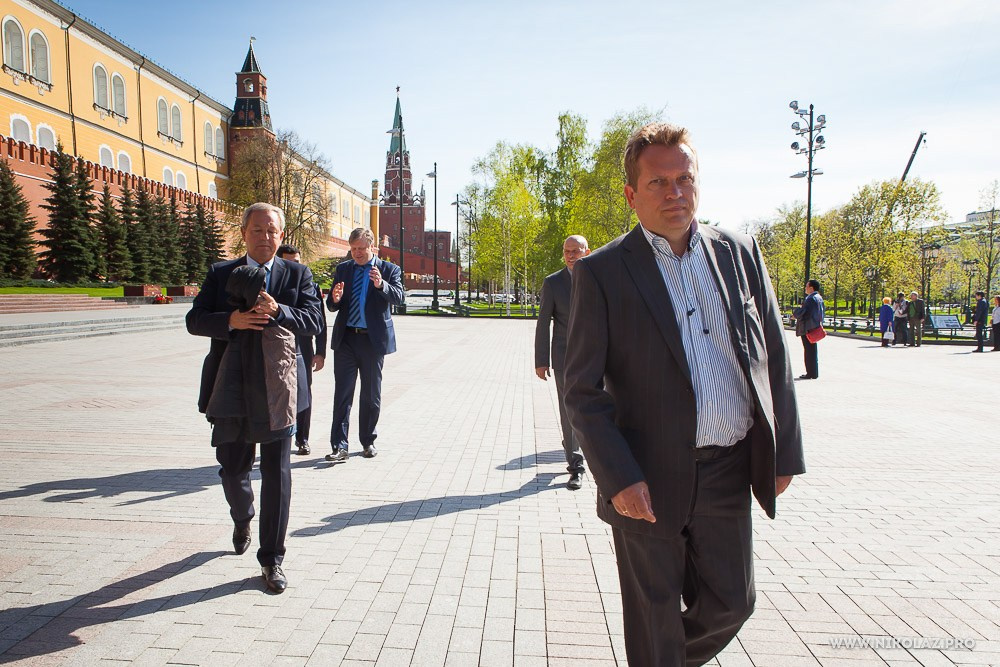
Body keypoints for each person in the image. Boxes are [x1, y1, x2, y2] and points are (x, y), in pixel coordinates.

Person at [563, 122, 804, 666]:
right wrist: (618, 476)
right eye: (658, 183)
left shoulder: (739, 252)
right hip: (645, 476)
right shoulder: (602, 272)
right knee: (652, 615)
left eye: (685, 180)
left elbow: (774, 356)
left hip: (728, 467)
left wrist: (784, 451)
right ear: (632, 194)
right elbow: (581, 390)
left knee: (731, 604)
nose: (675, 193)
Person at [186, 203, 324, 594]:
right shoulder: (221, 273)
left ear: (282, 236)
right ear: (244, 232)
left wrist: (280, 311)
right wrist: (231, 321)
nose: (265, 237)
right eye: (258, 230)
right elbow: (194, 320)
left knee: (278, 474)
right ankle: (243, 516)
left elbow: (314, 320)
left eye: (272, 231)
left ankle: (272, 559)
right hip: (230, 385)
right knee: (232, 468)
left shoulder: (298, 274)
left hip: (278, 388)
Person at [326, 228, 404, 462]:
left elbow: (399, 297)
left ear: (372, 248)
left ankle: (368, 441)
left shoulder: (389, 270)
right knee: (343, 394)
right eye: (353, 249)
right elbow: (332, 304)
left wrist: (382, 286)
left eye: (361, 249)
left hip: (372, 341)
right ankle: (339, 446)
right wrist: (334, 299)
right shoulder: (343, 269)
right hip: (347, 339)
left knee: (371, 395)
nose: (357, 253)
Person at [534, 235, 590, 490]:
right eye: (567, 251)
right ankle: (575, 466)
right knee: (569, 410)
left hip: (598, 357)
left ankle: (600, 458)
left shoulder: (600, 277)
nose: (571, 255)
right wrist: (541, 360)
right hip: (565, 358)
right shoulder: (553, 283)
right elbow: (543, 322)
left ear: (586, 252)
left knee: (599, 407)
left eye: (576, 251)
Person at [276, 244, 328, 456]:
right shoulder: (273, 283)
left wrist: (321, 351)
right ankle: (279, 436)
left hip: (303, 347)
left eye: (296, 261)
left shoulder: (310, 285)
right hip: (277, 346)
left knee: (304, 394)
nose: (293, 266)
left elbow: (321, 321)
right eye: (288, 261)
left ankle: (303, 438)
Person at [793, 279, 824, 380]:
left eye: (806, 286)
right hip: (814, 326)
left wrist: (795, 314)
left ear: (811, 288)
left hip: (808, 328)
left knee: (809, 351)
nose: (805, 288)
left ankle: (810, 373)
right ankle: (813, 373)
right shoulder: (819, 298)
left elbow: (805, 312)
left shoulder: (811, 299)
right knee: (812, 351)